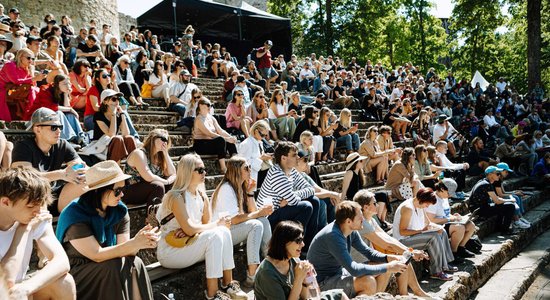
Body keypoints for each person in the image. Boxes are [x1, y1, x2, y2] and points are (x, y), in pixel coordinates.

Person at [56, 160, 157, 300]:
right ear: (98, 191)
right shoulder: (74, 215)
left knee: (136, 262)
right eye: (117, 191)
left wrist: (141, 242)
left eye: (123, 190)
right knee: (113, 266)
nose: (122, 195)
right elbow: (96, 255)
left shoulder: (119, 211)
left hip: (109, 266)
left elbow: (125, 251)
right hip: (77, 274)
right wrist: (134, 243)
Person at [156, 154, 248, 300]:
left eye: (204, 169)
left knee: (223, 231)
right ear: (187, 172)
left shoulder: (202, 196)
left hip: (190, 243)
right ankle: (212, 294)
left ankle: (228, 284)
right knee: (217, 232)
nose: (204, 172)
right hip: (170, 251)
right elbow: (192, 228)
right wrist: (210, 225)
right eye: (199, 170)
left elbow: (202, 227)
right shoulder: (176, 196)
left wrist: (195, 230)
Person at [0, 168, 76, 300]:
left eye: (40, 205)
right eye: (30, 207)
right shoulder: (28, 222)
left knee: (64, 282)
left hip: (18, 291)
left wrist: (27, 287)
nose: (37, 212)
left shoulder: (33, 216)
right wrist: (23, 230)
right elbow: (6, 281)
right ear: (5, 202)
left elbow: (62, 261)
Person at [307, 201, 407, 297]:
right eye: (360, 217)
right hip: (322, 283)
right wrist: (388, 266)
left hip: (338, 273)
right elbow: (354, 269)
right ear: (348, 221)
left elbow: (368, 252)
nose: (363, 219)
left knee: (382, 267)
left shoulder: (350, 230)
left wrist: (388, 258)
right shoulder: (333, 236)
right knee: (368, 282)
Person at [352, 190, 431, 297]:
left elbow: (389, 239)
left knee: (401, 257)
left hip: (368, 260)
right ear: (366, 207)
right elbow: (386, 244)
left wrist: (410, 251)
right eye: (374, 203)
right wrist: (411, 253)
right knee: (390, 266)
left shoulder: (371, 220)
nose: (377, 205)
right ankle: (376, 297)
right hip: (360, 264)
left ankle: (407, 294)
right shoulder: (363, 224)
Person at [211, 156, 273, 287]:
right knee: (255, 225)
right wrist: (258, 213)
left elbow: (254, 213)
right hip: (222, 232)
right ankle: (252, 276)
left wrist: (250, 193)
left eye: (250, 167)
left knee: (263, 220)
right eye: (246, 168)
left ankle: (273, 261)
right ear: (236, 170)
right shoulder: (227, 188)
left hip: (233, 229)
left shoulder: (240, 187)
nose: (250, 170)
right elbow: (233, 219)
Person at [12, 107, 87, 214]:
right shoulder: (23, 147)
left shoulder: (62, 144)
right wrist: (61, 174)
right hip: (32, 199)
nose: (59, 131)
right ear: (37, 129)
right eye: (53, 127)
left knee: (88, 180)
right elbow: (23, 179)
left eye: (60, 127)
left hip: (56, 197)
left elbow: (80, 166)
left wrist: (80, 170)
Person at [254, 221, 348, 300]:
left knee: (340, 296)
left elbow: (305, 297)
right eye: (298, 240)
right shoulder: (267, 273)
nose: (303, 244)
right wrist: (298, 278)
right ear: (284, 242)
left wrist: (306, 280)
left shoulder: (293, 259)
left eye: (302, 240)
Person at [257, 141, 320, 253]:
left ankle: (307, 246)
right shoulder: (276, 173)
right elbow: (293, 200)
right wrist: (292, 197)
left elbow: (311, 189)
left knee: (314, 201)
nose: (298, 157)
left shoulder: (292, 171)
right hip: (269, 217)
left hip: (281, 211)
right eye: (294, 155)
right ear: (283, 158)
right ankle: (293, 243)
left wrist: (294, 195)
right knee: (306, 206)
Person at [392, 188, 456, 281]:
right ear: (422, 200)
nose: (427, 206)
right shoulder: (407, 208)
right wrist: (421, 231)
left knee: (442, 231)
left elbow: (428, 223)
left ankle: (445, 264)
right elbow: (402, 231)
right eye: (427, 204)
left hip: (414, 236)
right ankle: (436, 272)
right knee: (434, 237)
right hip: (403, 241)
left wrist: (437, 228)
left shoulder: (420, 206)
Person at [25, 74, 87, 146]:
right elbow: (49, 107)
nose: (67, 86)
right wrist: (70, 109)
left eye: (68, 83)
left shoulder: (63, 92)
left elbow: (67, 107)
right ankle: (66, 140)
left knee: (70, 115)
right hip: (37, 117)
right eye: (64, 84)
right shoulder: (45, 89)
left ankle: (80, 138)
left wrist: (66, 94)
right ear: (57, 84)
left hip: (50, 118)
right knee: (58, 113)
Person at [122, 129, 176, 207]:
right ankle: (152, 218)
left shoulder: (160, 156)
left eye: (167, 140)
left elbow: (172, 173)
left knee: (173, 184)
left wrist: (166, 153)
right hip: (130, 192)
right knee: (158, 186)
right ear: (153, 138)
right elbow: (149, 177)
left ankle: (167, 213)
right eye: (163, 139)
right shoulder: (139, 153)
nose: (165, 142)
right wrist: (167, 181)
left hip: (148, 190)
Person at [427, 182, 477, 258]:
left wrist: (454, 216)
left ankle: (461, 248)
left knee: (471, 225)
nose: (450, 195)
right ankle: (453, 252)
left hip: (446, 222)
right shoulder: (432, 200)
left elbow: (446, 213)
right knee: (459, 228)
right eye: (448, 193)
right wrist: (449, 219)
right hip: (436, 227)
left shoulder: (444, 197)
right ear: (442, 189)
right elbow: (431, 220)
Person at [193, 98, 238, 173]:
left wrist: (230, 137)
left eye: (211, 105)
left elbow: (221, 131)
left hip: (211, 143)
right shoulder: (198, 119)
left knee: (229, 141)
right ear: (200, 105)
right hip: (201, 145)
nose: (209, 107)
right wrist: (226, 139)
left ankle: (236, 162)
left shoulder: (211, 117)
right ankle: (223, 168)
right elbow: (209, 133)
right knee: (221, 140)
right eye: (208, 105)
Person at [468, 166, 516, 235]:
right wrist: (511, 200)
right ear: (490, 174)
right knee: (510, 206)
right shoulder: (486, 184)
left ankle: (499, 227)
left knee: (501, 205)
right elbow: (497, 201)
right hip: (479, 210)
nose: (499, 175)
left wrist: (503, 200)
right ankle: (505, 230)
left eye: (499, 173)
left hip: (477, 208)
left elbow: (496, 200)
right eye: (497, 173)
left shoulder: (483, 181)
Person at [0, 48, 45, 121]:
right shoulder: (10, 65)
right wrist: (34, 78)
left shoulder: (27, 68)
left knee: (38, 90)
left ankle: (35, 112)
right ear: (20, 57)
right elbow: (16, 81)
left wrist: (32, 72)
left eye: (32, 59)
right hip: (6, 91)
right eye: (28, 58)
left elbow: (32, 84)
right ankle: (32, 114)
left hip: (16, 90)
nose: (31, 60)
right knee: (32, 90)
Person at [93, 89, 137, 162]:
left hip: (114, 144)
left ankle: (133, 165)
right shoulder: (98, 115)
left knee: (130, 138)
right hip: (101, 147)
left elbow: (126, 133)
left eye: (118, 99)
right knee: (117, 139)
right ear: (105, 101)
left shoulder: (118, 115)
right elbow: (111, 134)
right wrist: (113, 114)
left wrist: (122, 114)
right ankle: (116, 167)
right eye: (113, 99)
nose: (117, 102)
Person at [238, 120, 273, 191]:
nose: (264, 137)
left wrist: (265, 156)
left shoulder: (259, 142)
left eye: (265, 135)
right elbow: (243, 163)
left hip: (258, 175)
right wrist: (261, 158)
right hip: (250, 178)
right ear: (256, 131)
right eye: (262, 135)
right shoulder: (246, 144)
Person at [493, 162, 531, 229]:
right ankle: (516, 220)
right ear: (501, 171)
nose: (507, 173)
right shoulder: (497, 180)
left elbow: (504, 191)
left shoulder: (500, 179)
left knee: (517, 196)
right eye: (506, 172)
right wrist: (514, 194)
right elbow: (500, 194)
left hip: (500, 196)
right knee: (515, 197)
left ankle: (520, 217)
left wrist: (514, 192)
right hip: (497, 198)